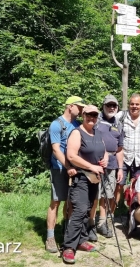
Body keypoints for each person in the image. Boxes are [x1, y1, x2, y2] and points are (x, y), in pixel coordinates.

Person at [61, 105, 109, 264]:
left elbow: (104, 150)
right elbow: (71, 156)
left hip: (94, 178)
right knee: (80, 209)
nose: (91, 118)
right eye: (89, 115)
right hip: (81, 177)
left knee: (87, 209)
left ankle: (81, 240)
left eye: (94, 115)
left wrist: (105, 159)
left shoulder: (98, 133)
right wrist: (91, 166)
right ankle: (68, 246)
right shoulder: (77, 132)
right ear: (83, 115)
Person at [45, 96, 85, 253]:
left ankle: (68, 233)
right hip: (59, 168)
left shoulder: (76, 124)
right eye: (79, 107)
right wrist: (67, 166)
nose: (81, 110)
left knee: (71, 203)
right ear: (71, 106)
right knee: (56, 202)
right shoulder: (56, 124)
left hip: (74, 169)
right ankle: (50, 238)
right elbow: (55, 149)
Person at [88, 95, 124, 240]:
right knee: (94, 194)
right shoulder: (96, 120)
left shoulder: (119, 124)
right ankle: (90, 223)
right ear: (103, 106)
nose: (111, 108)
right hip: (95, 163)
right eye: (109, 105)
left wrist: (120, 168)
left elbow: (120, 148)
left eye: (114, 106)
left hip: (112, 164)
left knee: (107, 195)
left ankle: (102, 222)